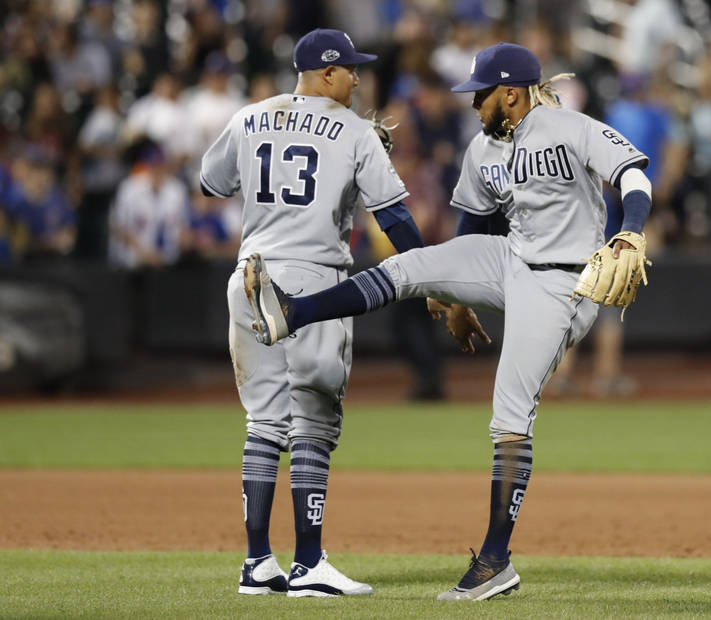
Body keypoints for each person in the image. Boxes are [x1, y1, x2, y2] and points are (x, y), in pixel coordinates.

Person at [245, 42, 654, 600]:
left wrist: (631, 228)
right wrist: (455, 296)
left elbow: (633, 173)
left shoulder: (571, 126)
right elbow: (472, 226)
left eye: (480, 93)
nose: (472, 102)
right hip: (510, 259)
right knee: (411, 265)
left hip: (565, 283)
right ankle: (293, 313)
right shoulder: (483, 147)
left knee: (509, 411)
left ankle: (495, 561)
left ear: (510, 92)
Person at [200, 29, 427, 597]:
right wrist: (431, 274)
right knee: (314, 421)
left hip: (250, 275)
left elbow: (210, 183)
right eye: (350, 69)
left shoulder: (250, 116)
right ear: (326, 73)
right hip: (313, 281)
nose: (357, 78)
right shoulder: (352, 131)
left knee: (264, 421)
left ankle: (258, 562)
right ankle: (308, 564)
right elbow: (394, 219)